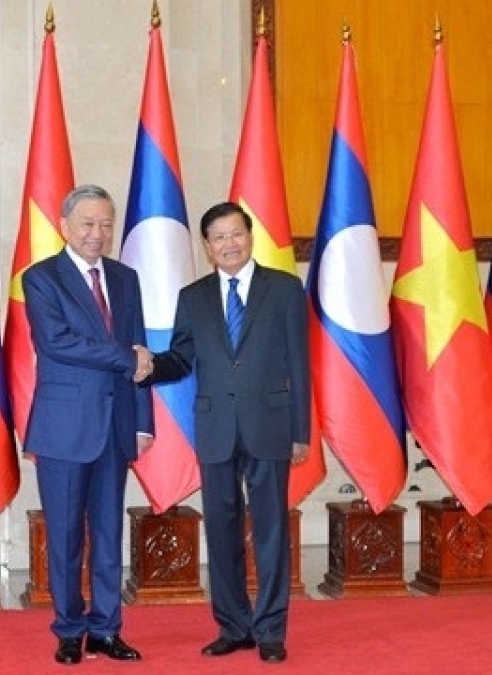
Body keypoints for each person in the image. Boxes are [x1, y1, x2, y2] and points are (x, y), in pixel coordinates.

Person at [140, 201, 309, 664]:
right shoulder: (193, 297)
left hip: (271, 424)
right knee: (221, 527)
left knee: (272, 529)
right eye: (218, 238)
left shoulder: (285, 289)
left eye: (236, 234)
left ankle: (271, 629)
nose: (229, 244)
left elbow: (300, 363)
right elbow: (180, 358)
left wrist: (300, 431)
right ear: (207, 246)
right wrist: (146, 365)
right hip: (214, 428)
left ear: (249, 236)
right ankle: (234, 626)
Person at [22, 184, 155, 665]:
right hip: (63, 428)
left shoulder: (125, 278)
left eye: (105, 224)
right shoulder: (41, 278)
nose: (97, 234)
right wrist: (124, 357)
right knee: (64, 538)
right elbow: (58, 342)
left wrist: (143, 421)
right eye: (87, 224)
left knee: (107, 535)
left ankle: (105, 629)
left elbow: (140, 352)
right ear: (65, 225)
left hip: (116, 427)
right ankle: (68, 629)